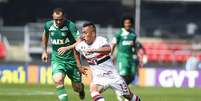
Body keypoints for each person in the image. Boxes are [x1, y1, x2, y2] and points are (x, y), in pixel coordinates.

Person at [74, 22, 141, 101]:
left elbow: (108, 49)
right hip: (99, 78)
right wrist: (79, 66)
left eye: (85, 33)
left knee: (129, 96)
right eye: (82, 33)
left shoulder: (100, 40)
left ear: (93, 33)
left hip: (113, 76)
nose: (83, 35)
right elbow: (75, 50)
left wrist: (94, 50)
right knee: (93, 91)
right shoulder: (81, 45)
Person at [41, 8, 85, 101]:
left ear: (64, 17)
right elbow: (45, 35)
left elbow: (80, 41)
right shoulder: (48, 25)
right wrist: (44, 51)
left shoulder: (71, 25)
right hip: (57, 59)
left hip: (72, 60)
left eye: (60, 19)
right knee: (58, 80)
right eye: (56, 19)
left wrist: (67, 48)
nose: (58, 22)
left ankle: (81, 89)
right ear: (52, 17)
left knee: (76, 87)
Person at [111, 16, 137, 85]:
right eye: (126, 23)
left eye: (129, 23)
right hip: (122, 57)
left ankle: (123, 89)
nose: (128, 24)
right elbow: (113, 44)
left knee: (132, 76)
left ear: (131, 24)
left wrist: (135, 54)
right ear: (123, 24)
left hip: (130, 57)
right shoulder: (119, 34)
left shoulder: (133, 34)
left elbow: (134, 45)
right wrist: (110, 55)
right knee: (123, 75)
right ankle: (120, 89)